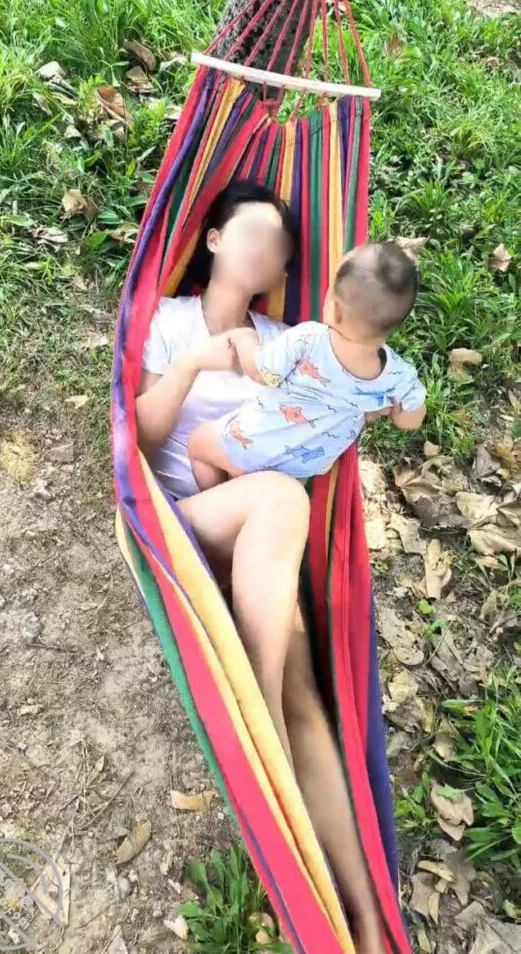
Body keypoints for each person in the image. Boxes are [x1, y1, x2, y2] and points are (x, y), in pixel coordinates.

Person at [135, 180, 390, 954]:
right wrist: (194, 365)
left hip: (266, 545)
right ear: (212, 240)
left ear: (282, 271)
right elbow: (138, 441)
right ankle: (260, 708)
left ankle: (361, 918)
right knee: (277, 496)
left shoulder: (291, 343)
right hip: (185, 528)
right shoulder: (165, 321)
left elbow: (337, 414)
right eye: (249, 233)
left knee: (310, 702)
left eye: (277, 247)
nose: (264, 251)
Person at [188, 242, 426, 491]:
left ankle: (213, 499)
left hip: (250, 447)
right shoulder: (398, 376)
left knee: (198, 444)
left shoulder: (309, 339)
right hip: (298, 471)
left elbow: (262, 372)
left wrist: (245, 339)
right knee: (261, 495)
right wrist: (395, 412)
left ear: (335, 309)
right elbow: (411, 420)